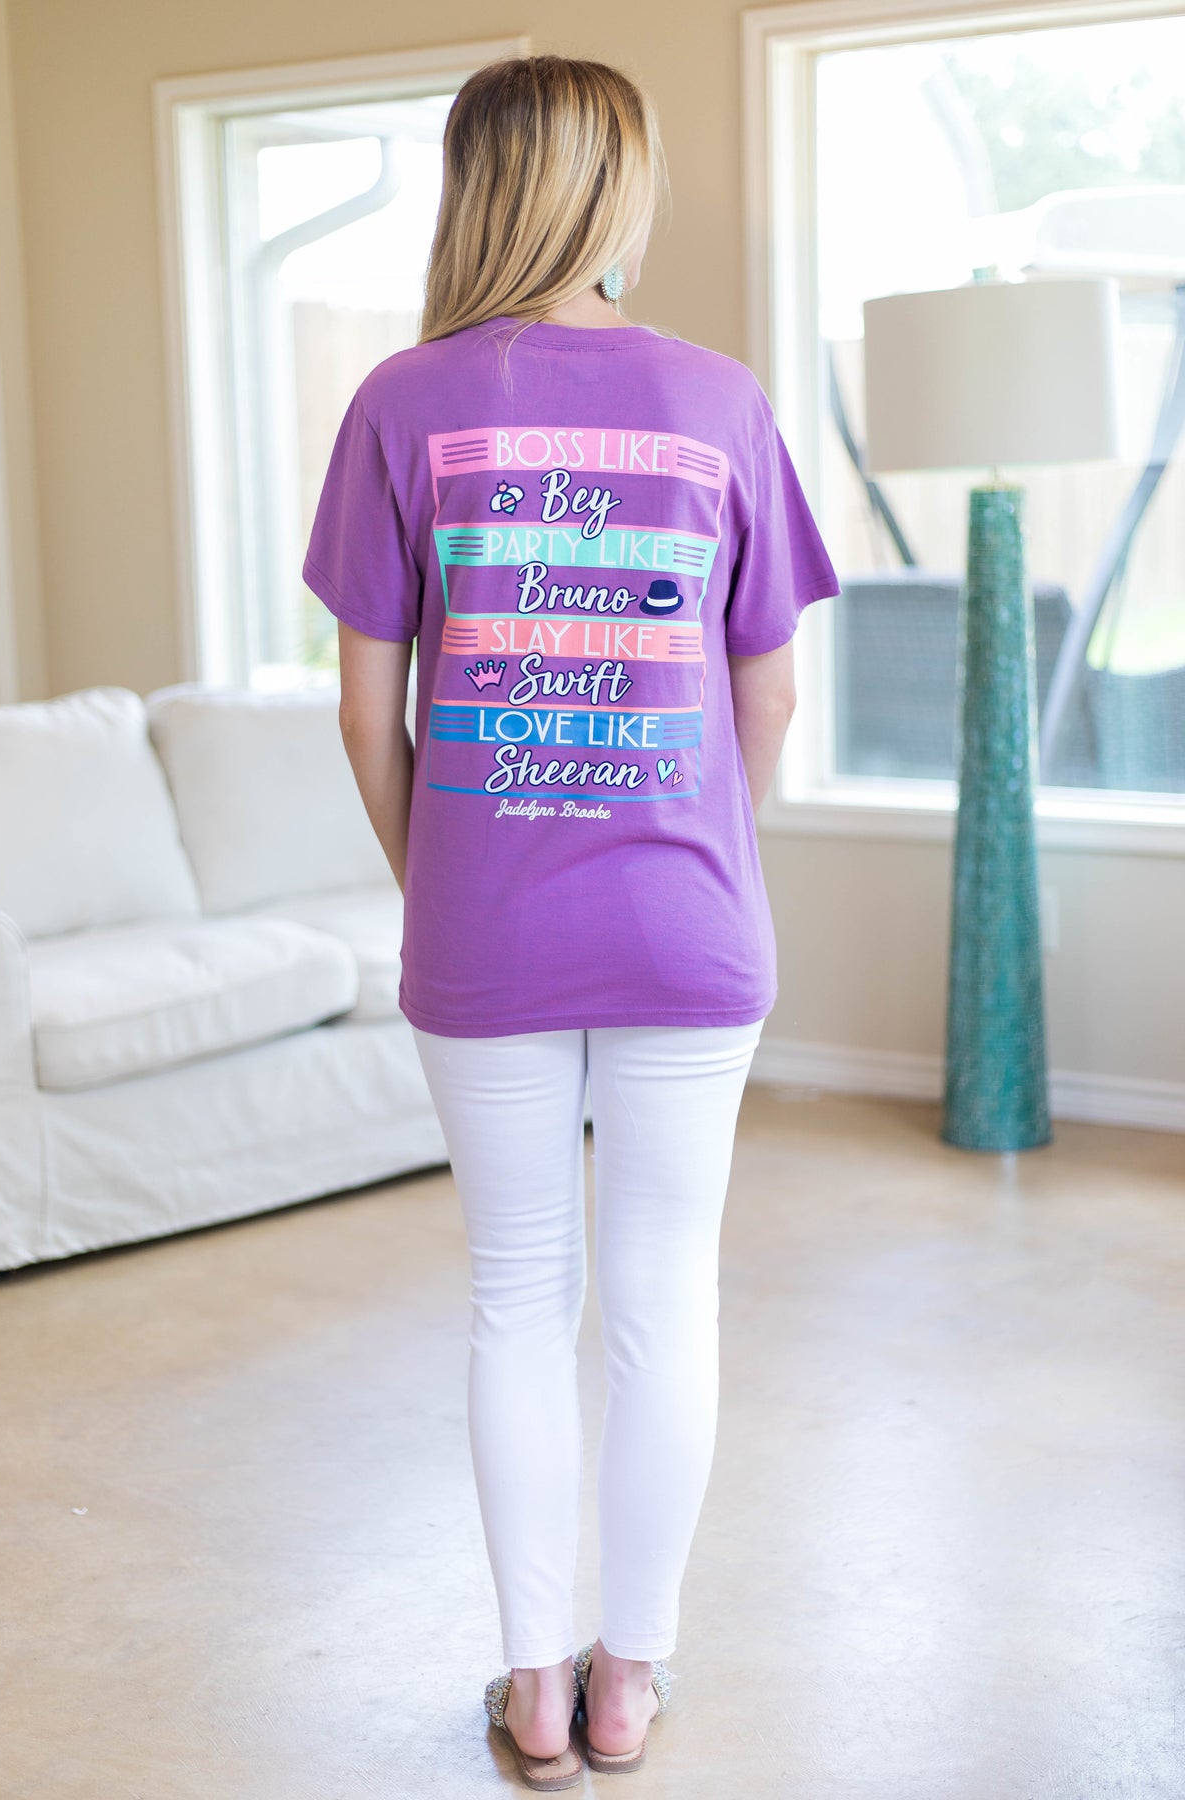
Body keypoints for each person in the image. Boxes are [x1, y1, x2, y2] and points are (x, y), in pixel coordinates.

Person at [303, 53, 841, 1791]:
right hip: (692, 926)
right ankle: (630, 1686)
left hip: (489, 933)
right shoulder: (719, 400)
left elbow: (363, 713)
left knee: (514, 1297)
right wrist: (701, 849)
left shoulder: (402, 405)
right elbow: (766, 696)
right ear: (619, 189)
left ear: (475, 186)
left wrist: (444, 879)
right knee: (665, 1299)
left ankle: (536, 1691)